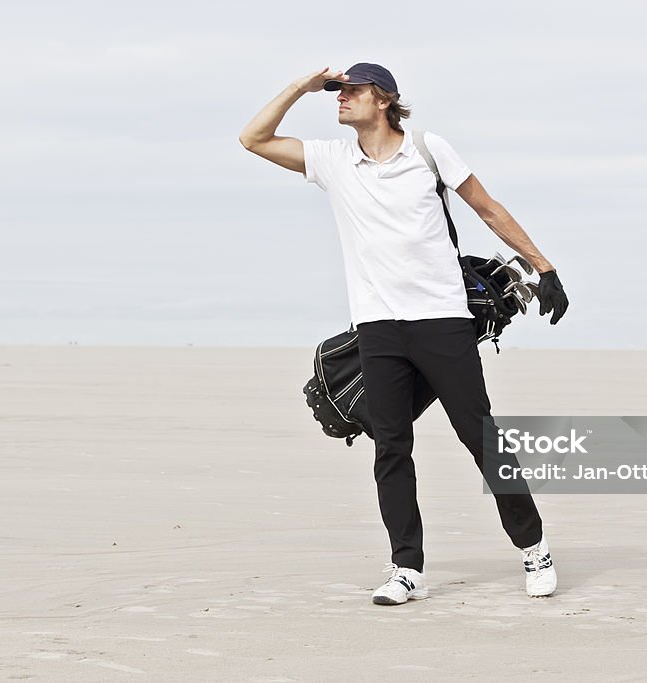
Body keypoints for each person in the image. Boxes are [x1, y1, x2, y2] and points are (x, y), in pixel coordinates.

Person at [239, 63, 569, 605]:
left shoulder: (427, 149)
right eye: (338, 92)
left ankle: (534, 548)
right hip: (378, 327)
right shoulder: (333, 160)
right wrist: (303, 85)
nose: (341, 99)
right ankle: (406, 568)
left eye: (353, 91)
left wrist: (544, 268)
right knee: (391, 447)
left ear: (386, 99)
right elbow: (253, 138)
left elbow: (486, 208)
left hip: (443, 321)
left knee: (480, 437)